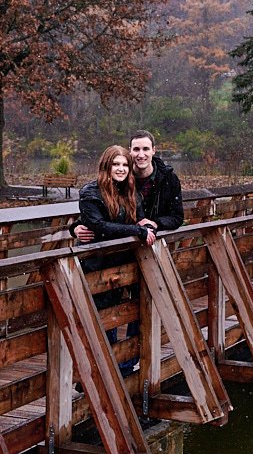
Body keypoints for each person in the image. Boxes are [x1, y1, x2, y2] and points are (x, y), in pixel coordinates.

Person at [77, 144, 156, 372]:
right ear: (106, 166)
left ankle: (122, 367)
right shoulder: (91, 192)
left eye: (124, 165)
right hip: (96, 264)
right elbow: (99, 226)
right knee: (103, 319)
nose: (121, 169)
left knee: (121, 313)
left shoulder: (129, 193)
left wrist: (146, 225)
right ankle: (101, 373)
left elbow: (138, 219)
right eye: (116, 164)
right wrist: (136, 231)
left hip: (121, 264)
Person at [73, 130, 183, 244]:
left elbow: (177, 217)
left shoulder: (168, 178)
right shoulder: (122, 181)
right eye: (136, 149)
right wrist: (76, 227)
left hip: (150, 239)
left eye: (145, 149)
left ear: (153, 150)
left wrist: (154, 224)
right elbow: (102, 214)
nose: (141, 154)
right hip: (121, 242)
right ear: (130, 151)